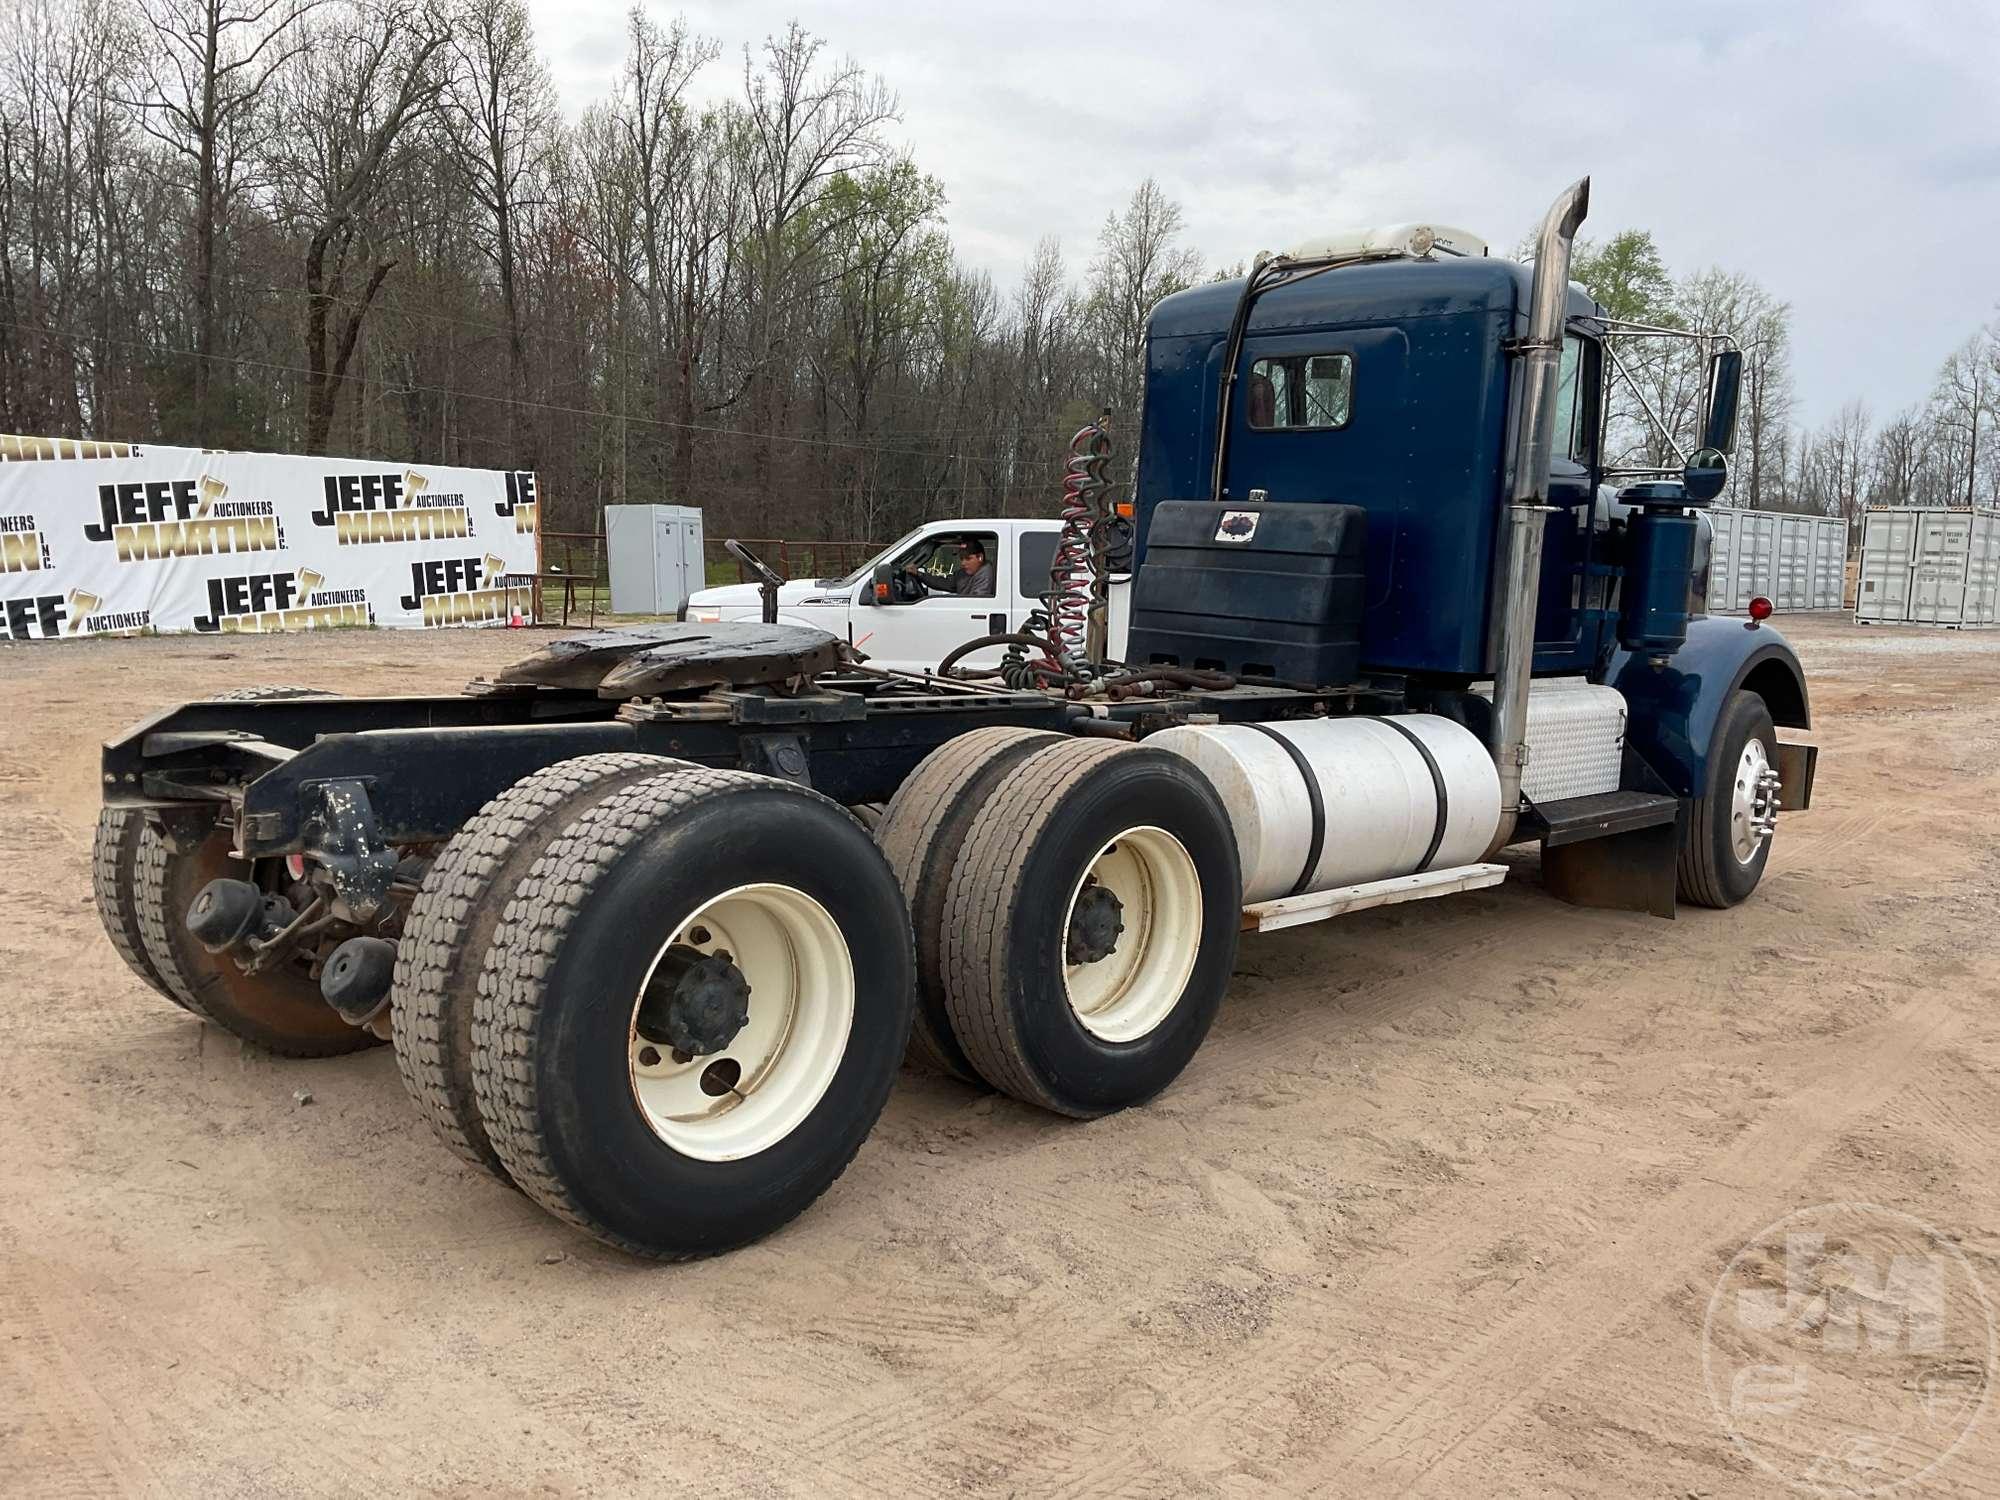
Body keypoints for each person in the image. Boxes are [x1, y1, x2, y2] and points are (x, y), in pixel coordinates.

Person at [906, 536, 994, 597]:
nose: (963, 563)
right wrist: (919, 574)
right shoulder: (964, 573)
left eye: (968, 558)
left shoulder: (985, 574)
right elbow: (944, 582)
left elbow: (976, 603)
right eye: (961, 558)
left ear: (980, 557)